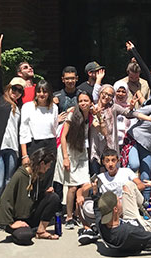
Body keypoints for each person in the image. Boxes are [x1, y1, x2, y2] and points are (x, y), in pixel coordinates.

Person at [0, 33, 27, 234]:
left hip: (12, 150)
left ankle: (4, 219)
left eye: (20, 90)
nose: (16, 92)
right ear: (9, 87)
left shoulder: (19, 107)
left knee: (9, 186)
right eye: (14, 88)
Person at [0, 148, 61, 241]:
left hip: (31, 215)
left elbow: (32, 196)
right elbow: (5, 198)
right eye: (48, 165)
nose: (48, 168)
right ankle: (21, 231)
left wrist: (45, 194)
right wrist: (10, 223)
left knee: (53, 198)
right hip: (18, 219)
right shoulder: (20, 175)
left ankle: (40, 231)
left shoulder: (36, 174)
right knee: (25, 236)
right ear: (42, 164)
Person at [94, 184, 151, 254]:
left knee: (128, 186)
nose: (120, 199)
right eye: (118, 201)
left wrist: (95, 193)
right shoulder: (129, 232)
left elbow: (97, 209)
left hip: (130, 220)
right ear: (115, 209)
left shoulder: (101, 223)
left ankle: (149, 208)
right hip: (147, 229)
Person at [54, 91, 91, 230]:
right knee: (72, 186)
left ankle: (78, 213)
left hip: (82, 152)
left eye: (86, 100)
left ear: (90, 102)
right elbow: (63, 136)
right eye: (81, 101)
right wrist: (65, 157)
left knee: (85, 185)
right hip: (69, 151)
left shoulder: (92, 115)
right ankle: (69, 217)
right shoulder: (72, 115)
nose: (83, 103)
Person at [19, 80, 58, 191]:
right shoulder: (28, 107)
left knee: (48, 177)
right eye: (39, 91)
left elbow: (54, 127)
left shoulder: (54, 108)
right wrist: (24, 155)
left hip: (50, 144)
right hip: (34, 144)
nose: (42, 94)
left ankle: (45, 204)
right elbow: (23, 130)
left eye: (45, 91)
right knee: (34, 176)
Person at [88, 84, 130, 175]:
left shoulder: (113, 108)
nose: (106, 97)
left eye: (110, 95)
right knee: (95, 177)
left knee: (110, 176)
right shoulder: (91, 109)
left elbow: (128, 113)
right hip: (95, 148)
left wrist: (150, 119)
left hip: (109, 149)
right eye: (105, 93)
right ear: (100, 93)